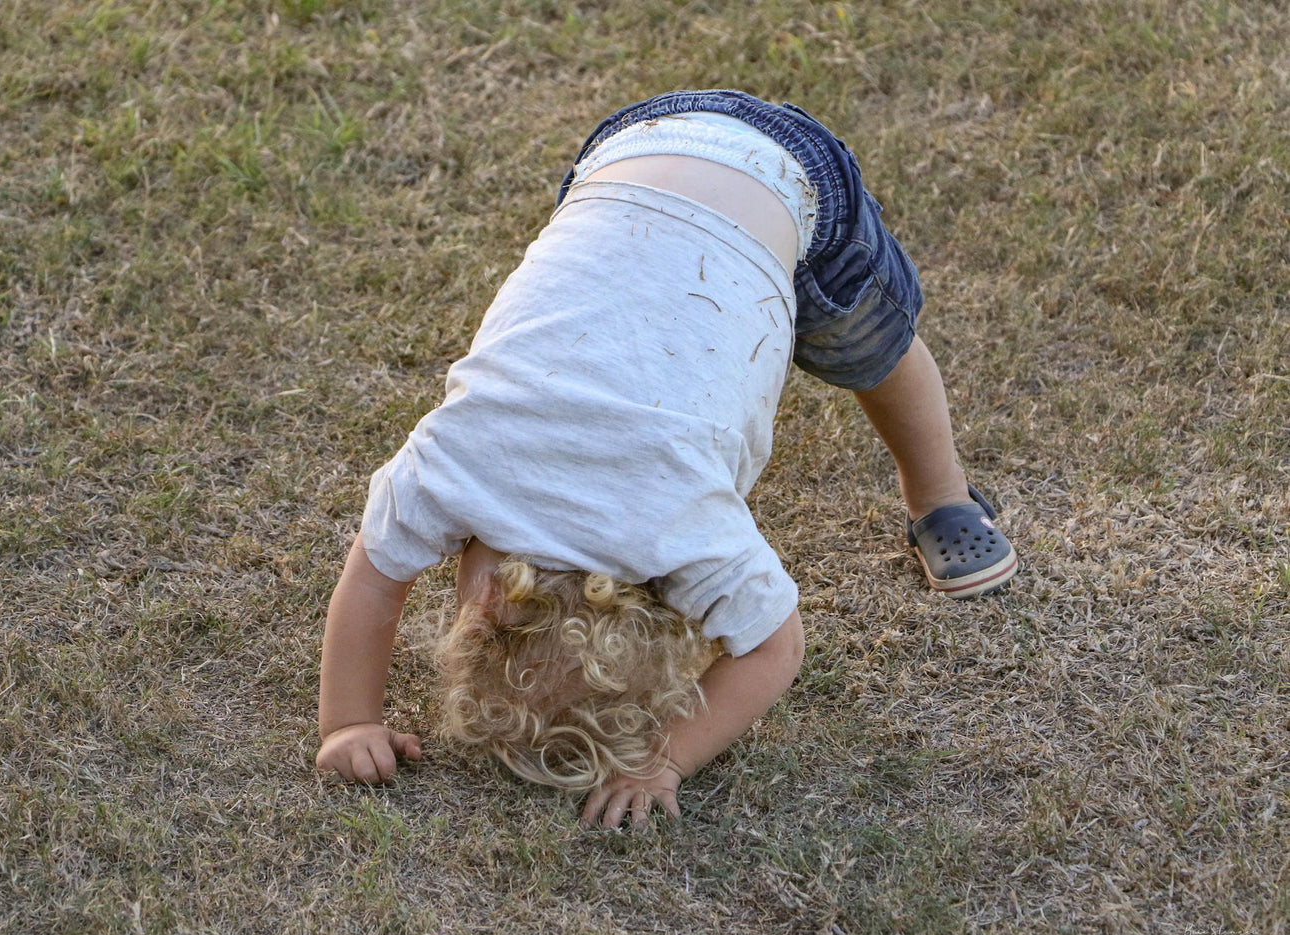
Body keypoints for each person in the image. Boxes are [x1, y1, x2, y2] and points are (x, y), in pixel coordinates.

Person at [314, 91, 1017, 829]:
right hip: (625, 159)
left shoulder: (676, 526)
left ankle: (942, 498)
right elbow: (374, 578)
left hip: (789, 179)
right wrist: (347, 719)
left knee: (868, 347)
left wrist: (665, 758)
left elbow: (776, 649)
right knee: (850, 349)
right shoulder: (455, 464)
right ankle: (941, 501)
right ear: (482, 600)